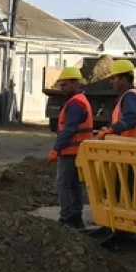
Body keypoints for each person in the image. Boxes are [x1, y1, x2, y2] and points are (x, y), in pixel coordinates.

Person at [48, 65, 93, 229]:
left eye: (65, 84)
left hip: (70, 152)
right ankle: (76, 218)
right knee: (74, 185)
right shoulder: (80, 101)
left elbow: (69, 129)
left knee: (63, 185)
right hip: (78, 152)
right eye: (61, 85)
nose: (62, 88)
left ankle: (67, 218)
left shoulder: (75, 104)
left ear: (75, 83)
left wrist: (56, 148)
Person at [97, 59, 136, 140]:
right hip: (134, 147)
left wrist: (112, 129)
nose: (110, 82)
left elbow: (131, 118)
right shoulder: (128, 96)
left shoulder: (130, 96)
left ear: (124, 79)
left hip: (135, 147)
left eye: (113, 78)